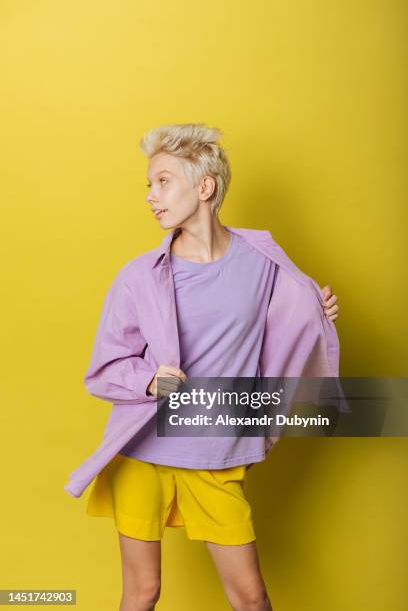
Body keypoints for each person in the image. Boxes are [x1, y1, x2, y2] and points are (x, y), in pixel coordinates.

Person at [84, 123, 340, 611]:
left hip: (217, 449)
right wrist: (148, 381)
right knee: (142, 592)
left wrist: (317, 314)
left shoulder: (262, 259)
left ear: (205, 187)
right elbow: (104, 368)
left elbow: (288, 330)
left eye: (162, 181)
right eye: (148, 185)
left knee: (250, 597)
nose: (150, 196)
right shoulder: (140, 276)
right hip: (143, 451)